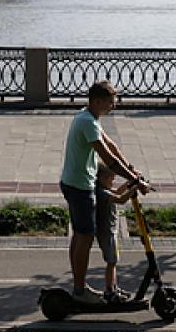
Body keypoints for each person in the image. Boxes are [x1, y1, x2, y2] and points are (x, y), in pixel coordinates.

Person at [60, 80, 150, 305]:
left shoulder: (88, 117)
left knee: (80, 236)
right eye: (111, 102)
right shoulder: (87, 122)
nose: (114, 106)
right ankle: (80, 291)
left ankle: (78, 287)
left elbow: (112, 147)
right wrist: (135, 180)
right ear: (98, 101)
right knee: (85, 237)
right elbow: (108, 158)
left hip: (76, 182)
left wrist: (131, 170)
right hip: (80, 186)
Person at [95, 161, 135, 303]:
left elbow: (118, 192)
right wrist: (135, 187)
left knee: (114, 261)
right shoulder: (102, 192)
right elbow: (121, 199)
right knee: (111, 262)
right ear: (103, 179)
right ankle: (109, 291)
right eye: (111, 179)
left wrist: (130, 182)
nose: (113, 182)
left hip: (111, 230)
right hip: (106, 232)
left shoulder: (103, 189)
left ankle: (114, 287)